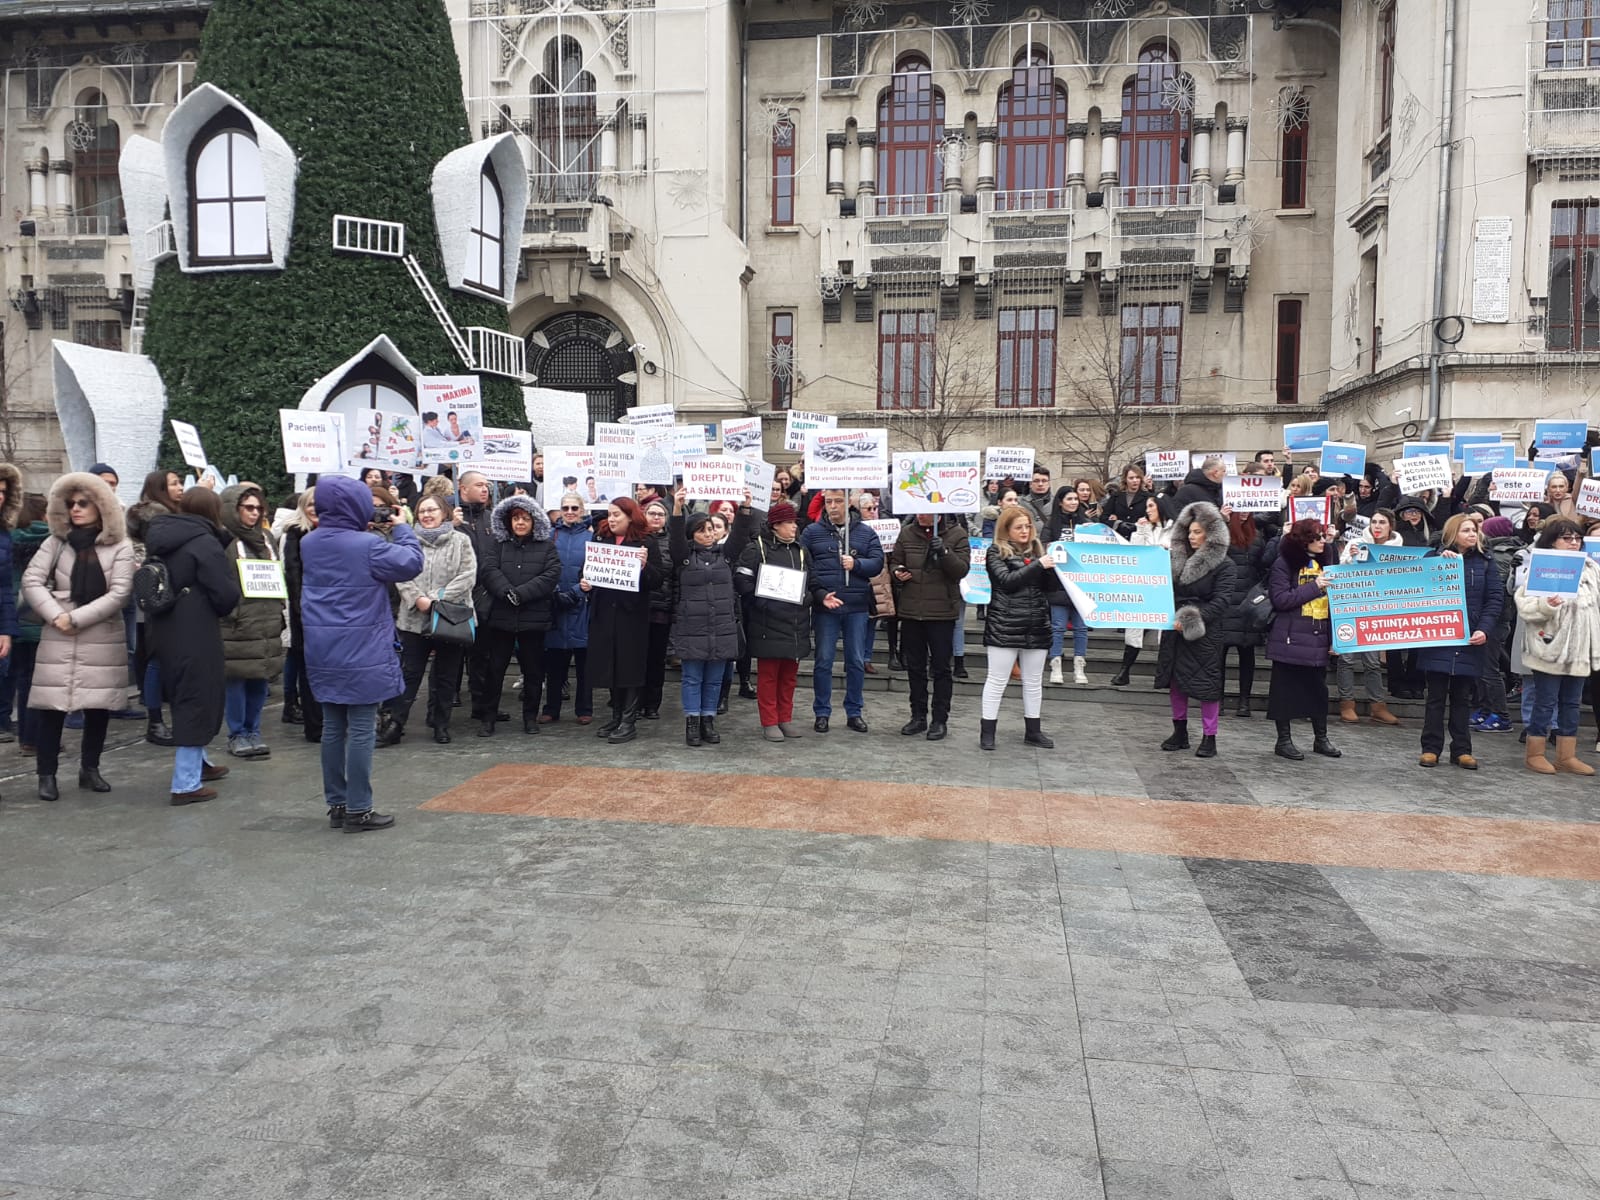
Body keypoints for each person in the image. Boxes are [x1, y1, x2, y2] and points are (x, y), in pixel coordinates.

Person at [301, 474, 422, 832]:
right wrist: (400, 528)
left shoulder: (310, 543)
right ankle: (360, 808)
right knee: (362, 727)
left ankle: (337, 803)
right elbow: (411, 563)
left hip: (323, 647)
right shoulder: (368, 545)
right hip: (362, 647)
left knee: (333, 727)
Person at [22, 472, 135, 800]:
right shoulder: (55, 542)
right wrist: (57, 615)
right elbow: (32, 580)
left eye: (83, 503)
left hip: (101, 633)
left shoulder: (120, 545)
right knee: (52, 707)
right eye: (70, 503)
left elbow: (120, 592)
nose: (76, 509)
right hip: (58, 633)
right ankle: (47, 775)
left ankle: (90, 768)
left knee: (98, 707)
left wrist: (76, 617)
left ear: (101, 506)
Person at [143, 488, 241, 804]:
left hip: (164, 627)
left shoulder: (161, 537)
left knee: (184, 691)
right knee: (198, 695)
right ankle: (185, 783)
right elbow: (224, 593)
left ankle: (200, 763)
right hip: (196, 628)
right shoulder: (203, 542)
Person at [383, 495, 478, 745]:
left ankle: (441, 724)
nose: (427, 515)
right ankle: (395, 724)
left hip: (451, 618)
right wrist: (418, 598)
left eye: (432, 510)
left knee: (446, 675)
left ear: (443, 512)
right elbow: (401, 574)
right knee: (410, 673)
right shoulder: (408, 541)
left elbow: (468, 575)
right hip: (415, 618)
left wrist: (436, 599)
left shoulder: (461, 541)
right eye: (422, 510)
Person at [1416, 513, 1503, 770]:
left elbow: (1495, 599)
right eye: (1466, 530)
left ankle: (1462, 750)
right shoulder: (1433, 558)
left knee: (1463, 698)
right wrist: (1438, 564)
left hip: (1469, 639)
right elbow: (1419, 590)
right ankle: (1430, 749)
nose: (1472, 534)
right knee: (1435, 697)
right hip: (1439, 640)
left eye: (1474, 530)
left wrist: (1484, 629)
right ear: (1453, 533)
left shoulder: (1487, 562)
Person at [1515, 517, 1600, 775]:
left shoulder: (1591, 569)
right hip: (1549, 648)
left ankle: (1566, 755)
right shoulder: (1540, 567)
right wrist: (1547, 605)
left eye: (1577, 538)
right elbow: (1525, 606)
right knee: (1545, 701)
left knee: (1572, 703)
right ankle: (1536, 753)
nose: (1573, 543)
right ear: (1553, 541)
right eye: (1567, 538)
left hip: (1580, 650)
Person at [668, 487, 752, 746]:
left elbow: (738, 535)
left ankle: (708, 719)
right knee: (693, 678)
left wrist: (746, 506)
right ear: (692, 534)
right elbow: (675, 540)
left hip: (722, 627)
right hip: (692, 627)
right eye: (702, 530)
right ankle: (692, 722)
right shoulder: (684, 558)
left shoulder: (726, 557)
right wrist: (678, 508)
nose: (709, 534)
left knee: (715, 679)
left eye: (711, 529)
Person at [1154, 502, 1236, 758]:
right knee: (1176, 682)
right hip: (1173, 629)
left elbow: (1222, 601)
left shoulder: (1225, 566)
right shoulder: (1175, 560)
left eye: (1198, 532)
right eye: (1189, 531)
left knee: (1206, 686)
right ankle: (1179, 732)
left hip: (1204, 633)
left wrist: (1191, 621)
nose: (1191, 536)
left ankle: (1209, 737)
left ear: (1211, 535)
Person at [474, 492, 559, 737]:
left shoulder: (546, 547)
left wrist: (521, 593)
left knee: (533, 672)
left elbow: (551, 575)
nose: (520, 523)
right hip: (501, 618)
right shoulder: (498, 545)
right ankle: (488, 718)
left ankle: (530, 717)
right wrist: (506, 592)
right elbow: (488, 570)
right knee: (495, 671)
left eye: (525, 518)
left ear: (534, 522)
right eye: (515, 518)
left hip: (533, 619)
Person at [583, 497, 665, 744]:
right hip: (604, 614)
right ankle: (616, 716)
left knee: (629, 667)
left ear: (630, 516)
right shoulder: (600, 538)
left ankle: (629, 721)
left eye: (617, 514)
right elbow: (587, 569)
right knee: (610, 665)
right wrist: (585, 582)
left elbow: (657, 580)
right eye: (609, 514)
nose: (611, 519)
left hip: (632, 616)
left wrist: (644, 566)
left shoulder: (646, 541)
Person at [980, 505, 1061, 750]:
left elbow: (1050, 589)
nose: (1025, 531)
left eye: (1028, 526)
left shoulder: (1039, 552)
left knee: (1034, 681)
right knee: (997, 680)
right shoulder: (995, 552)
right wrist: (1039, 565)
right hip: (1005, 624)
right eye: (1019, 527)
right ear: (1006, 529)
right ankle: (987, 732)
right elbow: (1007, 582)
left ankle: (1033, 731)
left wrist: (1053, 568)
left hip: (1036, 623)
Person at [801, 490, 883, 733]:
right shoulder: (812, 532)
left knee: (856, 661)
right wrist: (819, 594)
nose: (833, 506)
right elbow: (806, 566)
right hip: (826, 606)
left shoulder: (866, 532)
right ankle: (822, 712)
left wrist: (856, 564)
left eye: (838, 501)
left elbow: (877, 563)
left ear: (849, 503)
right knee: (823, 660)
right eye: (829, 502)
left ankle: (854, 711)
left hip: (856, 606)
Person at [890, 512, 970, 741]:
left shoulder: (957, 534)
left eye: (926, 511)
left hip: (942, 612)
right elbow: (895, 561)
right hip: (911, 610)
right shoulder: (907, 533)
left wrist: (944, 552)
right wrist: (897, 573)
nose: (920, 515)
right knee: (915, 667)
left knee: (942, 668)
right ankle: (918, 715)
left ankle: (939, 719)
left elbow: (961, 570)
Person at [1264, 518, 1340, 761]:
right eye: (1316, 537)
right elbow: (1281, 599)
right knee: (1284, 692)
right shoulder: (1283, 563)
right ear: (1303, 540)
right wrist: (1315, 587)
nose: (1322, 541)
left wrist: (1335, 638)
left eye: (1323, 536)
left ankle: (1321, 738)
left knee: (1318, 692)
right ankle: (1283, 740)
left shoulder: (1328, 560)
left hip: (1317, 636)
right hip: (1289, 637)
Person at [217, 484, 284, 759]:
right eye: (248, 508)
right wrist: (231, 611)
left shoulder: (266, 538)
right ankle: (237, 734)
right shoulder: (223, 539)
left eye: (259, 508)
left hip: (266, 620)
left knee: (260, 680)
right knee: (235, 681)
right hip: (237, 622)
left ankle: (253, 730)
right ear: (234, 509)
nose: (255, 513)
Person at [736, 502, 813, 741]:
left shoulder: (801, 551)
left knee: (789, 677)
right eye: (789, 523)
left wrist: (809, 597)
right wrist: (764, 602)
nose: (794, 527)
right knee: (768, 677)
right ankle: (769, 721)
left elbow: (812, 581)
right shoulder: (755, 549)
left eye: (795, 523)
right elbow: (742, 582)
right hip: (767, 623)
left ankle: (785, 718)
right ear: (776, 525)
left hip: (795, 624)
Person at [125, 469, 182, 747]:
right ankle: (155, 720)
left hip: (168, 601)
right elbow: (142, 563)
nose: (180, 487)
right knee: (154, 661)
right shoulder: (145, 518)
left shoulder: (173, 516)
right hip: (151, 604)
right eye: (174, 483)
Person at [1334, 508, 1403, 726]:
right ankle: (1347, 704)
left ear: (1390, 525)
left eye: (1382, 522)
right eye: (1374, 522)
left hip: (1377, 610)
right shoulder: (1356, 543)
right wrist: (1351, 558)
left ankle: (1377, 706)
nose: (1377, 526)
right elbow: (1340, 572)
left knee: (1373, 661)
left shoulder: (1399, 549)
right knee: (1346, 658)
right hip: (1351, 606)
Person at [1111, 495, 1177, 687]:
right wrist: (1140, 531)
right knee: (1134, 628)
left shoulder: (1175, 530)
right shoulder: (1144, 527)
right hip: (1143, 585)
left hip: (1165, 586)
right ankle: (1124, 671)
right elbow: (1135, 554)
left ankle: (1164, 675)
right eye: (1147, 506)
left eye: (1151, 506)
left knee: (1163, 630)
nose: (1147, 510)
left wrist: (1167, 551)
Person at [453, 471, 500, 726]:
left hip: (487, 596)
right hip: (458, 597)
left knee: (485, 656)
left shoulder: (492, 518)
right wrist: (449, 526)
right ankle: (439, 710)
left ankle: (482, 706)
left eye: (487, 486)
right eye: (479, 485)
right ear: (462, 489)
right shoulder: (452, 518)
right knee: (453, 657)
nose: (485, 490)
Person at [542, 492, 593, 724]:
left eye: (574, 508)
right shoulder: (549, 536)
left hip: (582, 606)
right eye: (566, 508)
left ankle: (584, 709)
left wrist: (577, 592)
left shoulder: (593, 538)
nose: (570, 512)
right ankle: (551, 708)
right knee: (554, 664)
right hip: (555, 606)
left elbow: (595, 571)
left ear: (582, 510)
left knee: (584, 664)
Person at [280, 489, 323, 744]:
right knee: (308, 670)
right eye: (311, 504)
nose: (315, 508)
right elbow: (292, 574)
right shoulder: (295, 532)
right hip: (305, 611)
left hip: (328, 609)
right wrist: (301, 609)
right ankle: (314, 725)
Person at [7, 493, 48, 756]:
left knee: (23, 681)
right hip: (40, 614)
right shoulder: (51, 539)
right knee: (42, 681)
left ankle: (26, 738)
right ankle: (37, 737)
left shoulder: (9, 539)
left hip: (15, 614)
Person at [1219, 501, 1267, 718]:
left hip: (1248, 604)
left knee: (1246, 656)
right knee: (1219, 655)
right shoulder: (1223, 533)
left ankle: (1244, 701)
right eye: (1241, 506)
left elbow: (1265, 564)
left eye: (1249, 506)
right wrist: (1221, 520)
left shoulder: (1257, 536)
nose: (1246, 511)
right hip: (1225, 601)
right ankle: (1216, 699)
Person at [1044, 486, 1092, 685]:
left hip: (1081, 583)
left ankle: (1079, 665)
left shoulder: (1087, 524)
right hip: (1058, 583)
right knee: (1058, 627)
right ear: (1060, 501)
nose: (1073, 502)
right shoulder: (1051, 524)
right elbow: (1044, 546)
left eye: (1075, 499)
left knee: (1081, 628)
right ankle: (1056, 664)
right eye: (1069, 499)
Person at [855, 491, 900, 676]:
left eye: (875, 508)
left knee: (872, 621)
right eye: (868, 509)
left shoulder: (884, 527)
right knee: (859, 623)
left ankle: (866, 659)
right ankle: (856, 658)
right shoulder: (855, 529)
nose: (873, 511)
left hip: (880, 580)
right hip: (863, 578)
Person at [638, 496, 673, 720]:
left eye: (661, 514)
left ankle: (652, 704)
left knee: (656, 660)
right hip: (638, 607)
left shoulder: (672, 542)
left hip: (662, 608)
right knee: (637, 657)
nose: (656, 517)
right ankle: (635, 701)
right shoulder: (636, 540)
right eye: (652, 513)